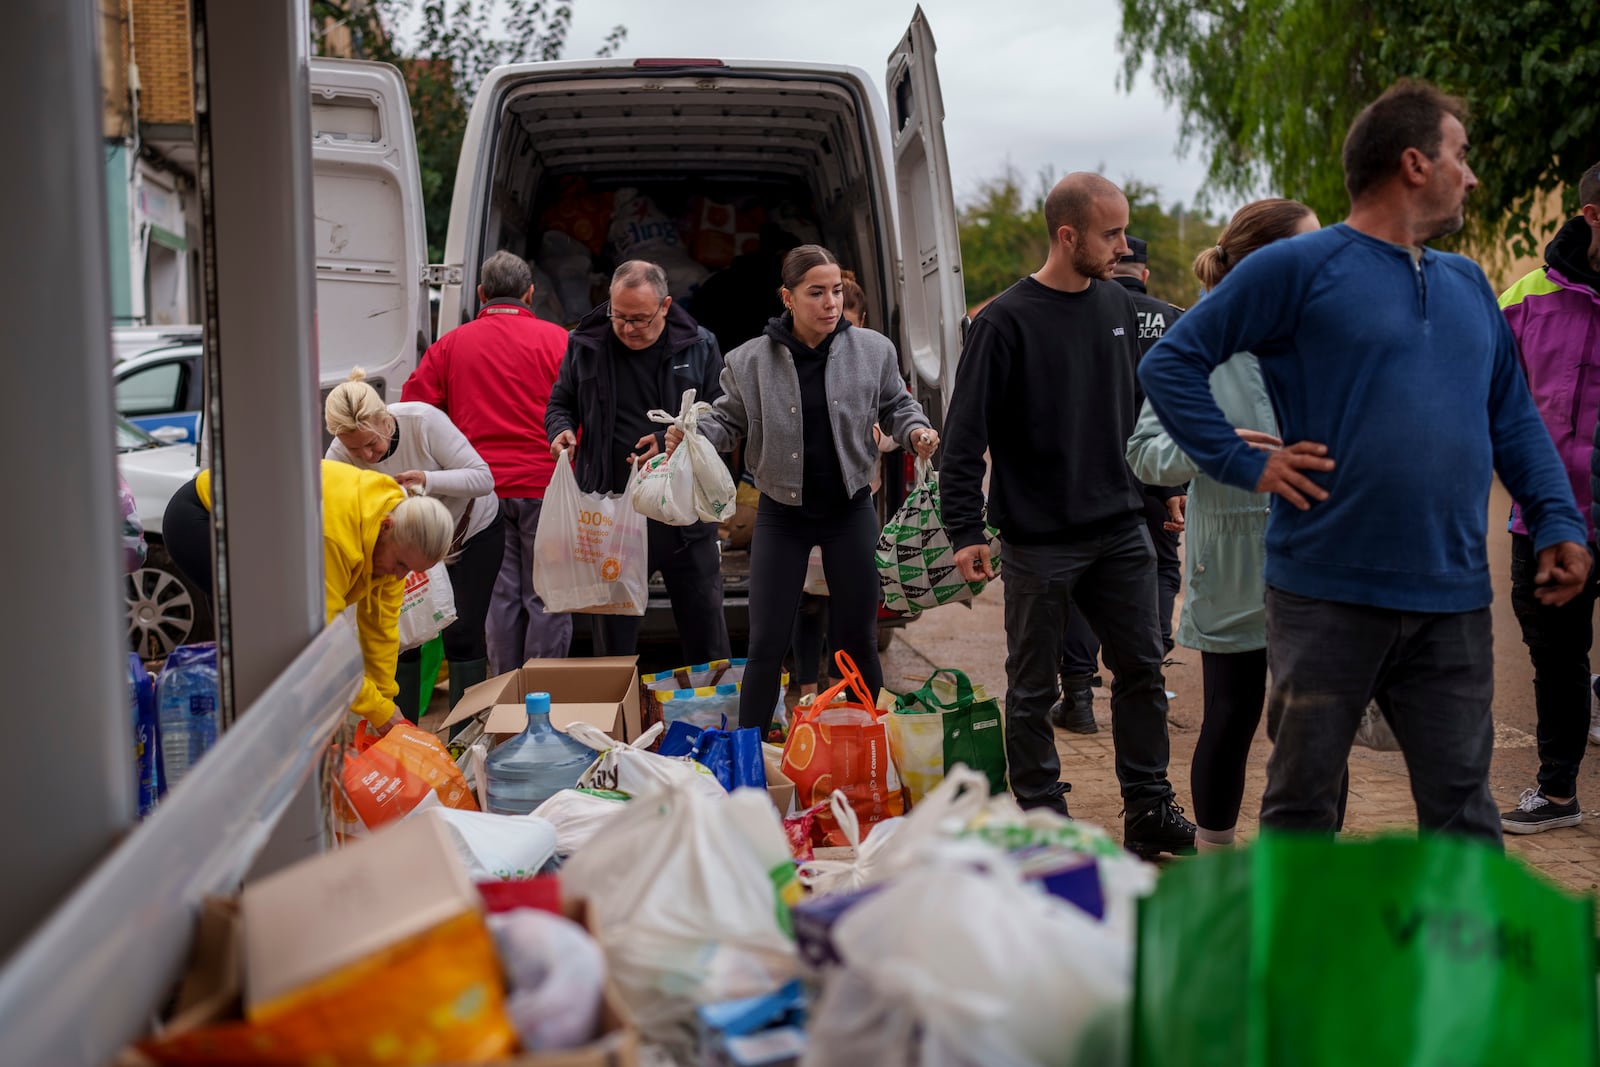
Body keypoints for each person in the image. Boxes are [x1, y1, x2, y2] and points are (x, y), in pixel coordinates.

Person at [1139, 80, 1590, 844]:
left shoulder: (1468, 285)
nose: (1471, 174)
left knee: (1462, 808)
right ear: (1414, 163)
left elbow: (1512, 414)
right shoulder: (1298, 268)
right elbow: (1172, 364)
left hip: (1451, 596)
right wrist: (1237, 460)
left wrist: (1555, 515)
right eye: (1461, 155)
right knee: (1304, 804)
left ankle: (1458, 964)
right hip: (1325, 593)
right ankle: (1300, 962)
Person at [940, 172, 1195, 857]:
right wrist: (965, 529)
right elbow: (963, 438)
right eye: (1110, 234)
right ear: (1067, 234)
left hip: (1119, 529)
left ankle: (1148, 806)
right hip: (1038, 539)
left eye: (1123, 231)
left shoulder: (1115, 305)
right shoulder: (1003, 321)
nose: (1122, 246)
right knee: (1032, 687)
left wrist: (1159, 488)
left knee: (1143, 669)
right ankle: (1044, 818)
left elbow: (1130, 420)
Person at [670, 244, 938, 730]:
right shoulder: (749, 361)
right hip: (781, 516)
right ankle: (750, 752)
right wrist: (689, 434)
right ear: (788, 298)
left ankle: (867, 745)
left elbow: (897, 406)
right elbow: (725, 421)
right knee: (768, 641)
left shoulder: (873, 350)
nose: (830, 302)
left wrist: (915, 430)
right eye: (816, 293)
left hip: (850, 511)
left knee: (855, 638)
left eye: (836, 291)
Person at [1126, 198, 1320, 849]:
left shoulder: (1324, 330)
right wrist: (1216, 444)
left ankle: (1306, 877)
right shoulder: (1201, 338)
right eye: (1308, 246)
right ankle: (1215, 865)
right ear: (1266, 262)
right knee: (1232, 719)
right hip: (1231, 566)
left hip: (1318, 558)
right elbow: (1146, 453)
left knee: (1316, 728)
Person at [163, 460, 455, 734]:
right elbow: (320, 646)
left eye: (410, 571)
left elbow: (381, 629)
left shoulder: (395, 533)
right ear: (386, 527)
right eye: (401, 566)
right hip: (203, 518)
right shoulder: (334, 539)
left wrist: (385, 702)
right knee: (258, 641)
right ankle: (240, 743)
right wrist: (377, 710)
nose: (399, 577)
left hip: (257, 529)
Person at [547, 260, 731, 665]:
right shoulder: (585, 344)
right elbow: (561, 402)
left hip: (685, 517)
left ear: (665, 306)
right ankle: (618, 725)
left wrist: (674, 441)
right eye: (620, 317)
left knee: (706, 634)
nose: (629, 328)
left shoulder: (699, 345)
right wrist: (560, 431)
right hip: (613, 517)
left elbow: (723, 416)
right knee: (613, 643)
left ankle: (712, 721)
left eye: (641, 319)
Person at [402, 250, 571, 672]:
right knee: (548, 594)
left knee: (501, 596)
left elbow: (412, 410)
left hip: (481, 497)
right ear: (530, 293)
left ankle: (504, 697)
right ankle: (543, 698)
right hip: (545, 486)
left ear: (481, 293)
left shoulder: (449, 346)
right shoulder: (559, 341)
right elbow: (586, 410)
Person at [1497, 160, 1600, 833]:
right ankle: (1558, 791)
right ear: (1592, 214)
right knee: (1556, 656)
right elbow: (1490, 404)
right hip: (1547, 516)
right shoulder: (1523, 297)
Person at [1052, 235, 1188, 735]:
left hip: (1096, 466)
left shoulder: (1088, 309)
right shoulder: (1173, 317)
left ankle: (1080, 694)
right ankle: (1148, 669)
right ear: (1146, 273)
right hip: (1158, 464)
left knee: (1085, 576)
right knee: (1161, 563)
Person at [325, 369, 503, 718]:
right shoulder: (338, 452)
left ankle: (462, 744)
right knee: (403, 640)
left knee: (463, 635)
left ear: (385, 420)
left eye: (372, 444)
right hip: (398, 547)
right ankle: (399, 734)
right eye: (355, 449)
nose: (368, 456)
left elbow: (483, 478)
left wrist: (427, 479)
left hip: (466, 531)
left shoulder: (423, 421)